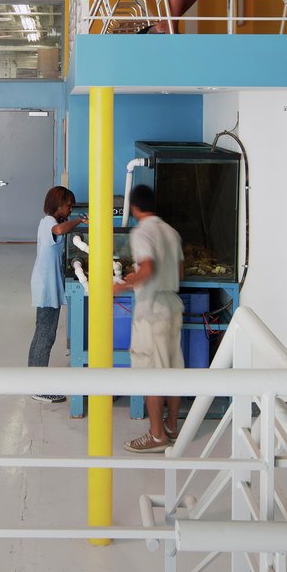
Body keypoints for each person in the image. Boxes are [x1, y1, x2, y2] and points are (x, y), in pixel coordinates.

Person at [115, 184, 185, 452]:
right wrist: (143, 276)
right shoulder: (171, 231)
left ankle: (156, 437)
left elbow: (148, 267)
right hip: (172, 305)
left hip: (151, 311)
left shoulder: (142, 232)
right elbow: (179, 271)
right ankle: (171, 426)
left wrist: (122, 285)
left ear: (133, 207)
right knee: (172, 367)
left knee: (151, 372)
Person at [28, 185, 85, 403]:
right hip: (46, 285)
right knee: (45, 335)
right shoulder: (49, 223)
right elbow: (60, 231)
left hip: (47, 283)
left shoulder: (53, 222)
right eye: (69, 205)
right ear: (58, 205)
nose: (70, 209)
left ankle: (32, 379)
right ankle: (39, 387)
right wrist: (79, 221)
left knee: (41, 332)